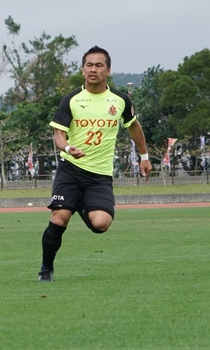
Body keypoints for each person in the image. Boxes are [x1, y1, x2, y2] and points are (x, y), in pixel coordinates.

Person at [38, 46, 151, 282]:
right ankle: (46, 268)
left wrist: (144, 156)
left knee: (101, 224)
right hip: (70, 169)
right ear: (82, 70)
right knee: (60, 217)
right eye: (89, 65)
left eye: (99, 65)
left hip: (99, 176)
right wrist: (68, 147)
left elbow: (134, 127)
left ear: (108, 70)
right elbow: (58, 135)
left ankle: (78, 202)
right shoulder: (71, 100)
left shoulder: (120, 100)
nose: (93, 69)